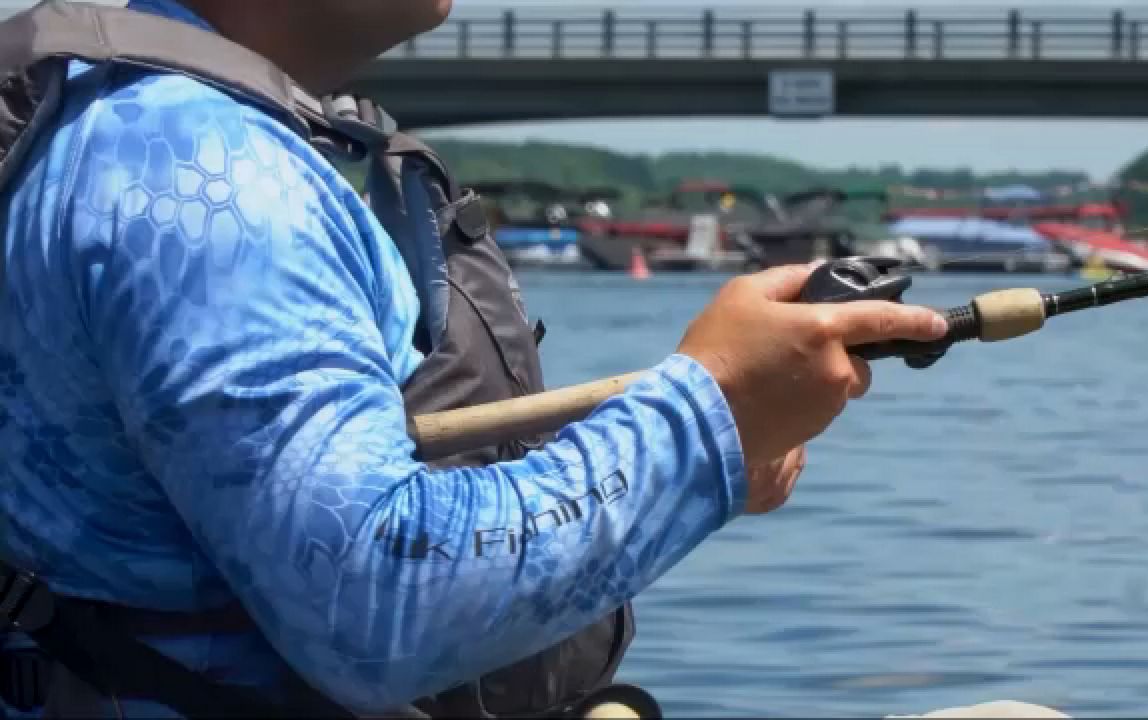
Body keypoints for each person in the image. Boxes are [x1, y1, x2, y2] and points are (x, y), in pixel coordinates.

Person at [0, 0, 948, 717]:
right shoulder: (208, 178)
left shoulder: (114, 120)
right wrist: (712, 419)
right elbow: (372, 603)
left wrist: (707, 443)